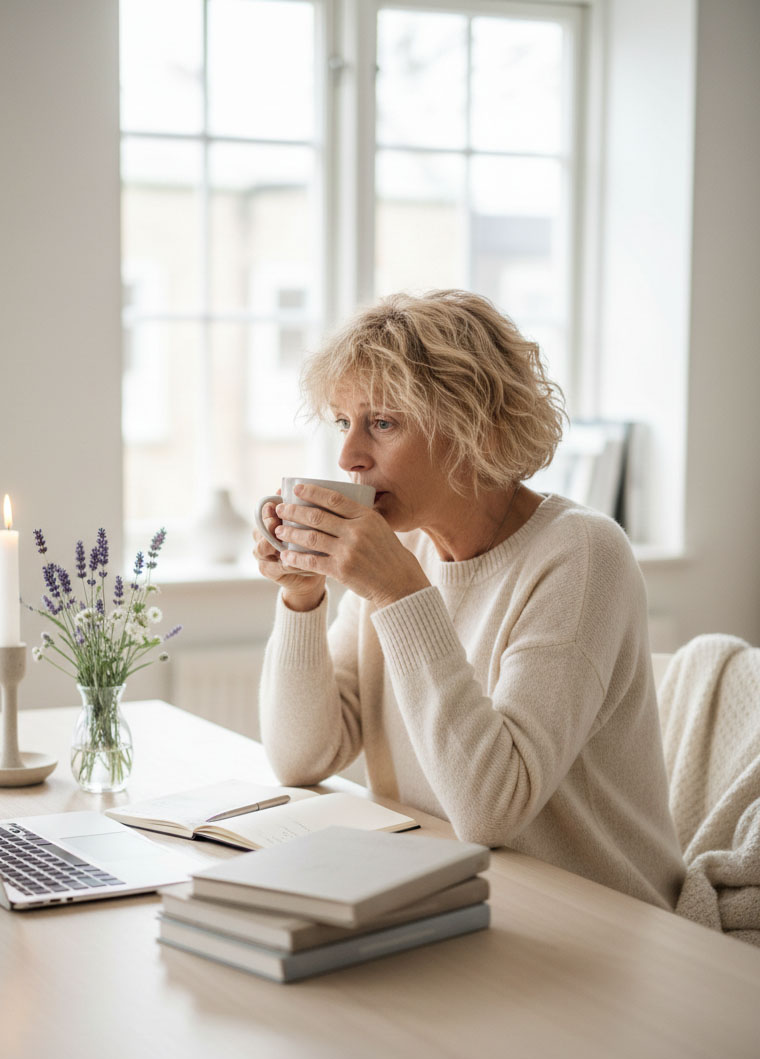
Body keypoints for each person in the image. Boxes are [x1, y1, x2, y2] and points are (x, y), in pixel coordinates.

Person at [253, 290, 685, 909]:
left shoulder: (582, 555)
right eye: (344, 423)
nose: (348, 457)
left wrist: (400, 593)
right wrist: (302, 599)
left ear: (474, 427)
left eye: (383, 422)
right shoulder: (407, 553)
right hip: (454, 896)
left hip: (596, 919)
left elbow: (492, 810)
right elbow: (301, 758)